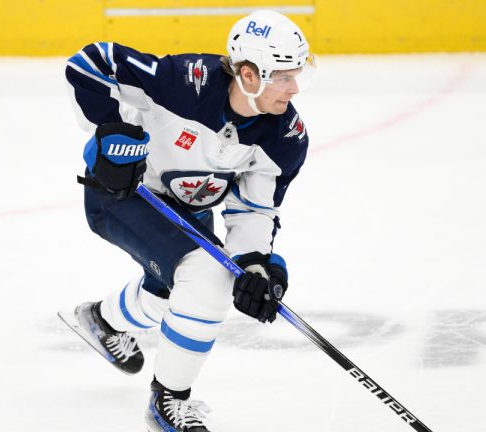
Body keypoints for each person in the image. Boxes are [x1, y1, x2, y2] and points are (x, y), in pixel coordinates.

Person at [61, 10, 314, 432]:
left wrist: (255, 265)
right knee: (206, 279)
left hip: (186, 211)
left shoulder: (285, 136)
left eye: (297, 75)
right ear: (249, 75)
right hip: (122, 192)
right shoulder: (183, 80)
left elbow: (254, 209)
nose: (293, 88)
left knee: (176, 291)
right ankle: (169, 401)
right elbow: (91, 62)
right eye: (284, 77)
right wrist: (110, 133)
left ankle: (104, 321)